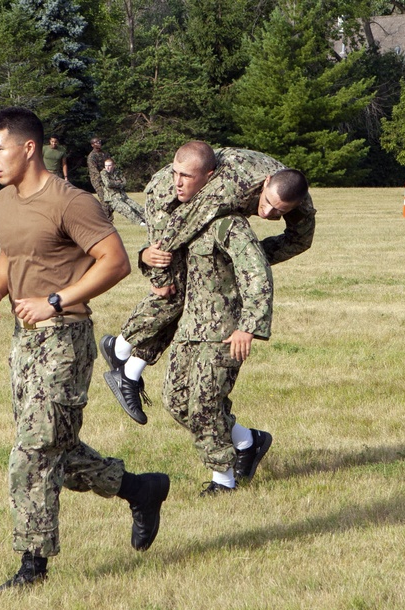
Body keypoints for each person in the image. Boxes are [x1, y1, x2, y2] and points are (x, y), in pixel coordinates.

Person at [0, 107, 170, 591]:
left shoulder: (72, 201)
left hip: (65, 336)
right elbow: (12, 250)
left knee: (34, 451)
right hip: (24, 341)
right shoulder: (3, 202)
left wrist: (56, 300)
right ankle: (141, 489)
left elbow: (116, 261)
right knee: (53, 449)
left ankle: (32, 566)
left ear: (28, 148)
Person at [100, 146, 315, 431]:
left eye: (280, 210)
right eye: (267, 203)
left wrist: (244, 257)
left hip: (206, 190)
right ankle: (122, 352)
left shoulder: (298, 199)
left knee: (203, 284)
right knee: (174, 291)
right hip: (169, 199)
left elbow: (300, 240)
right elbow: (173, 235)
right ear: (264, 184)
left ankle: (126, 361)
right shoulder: (226, 186)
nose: (268, 211)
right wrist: (156, 271)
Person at [154, 142, 274, 495]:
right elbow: (162, 262)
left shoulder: (229, 224)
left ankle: (224, 480)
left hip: (224, 332)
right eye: (174, 174)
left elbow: (257, 275)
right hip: (190, 326)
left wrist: (249, 327)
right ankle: (248, 440)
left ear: (207, 179)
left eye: (185, 176)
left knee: (205, 404)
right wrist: (147, 255)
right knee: (176, 402)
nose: (176, 183)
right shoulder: (178, 219)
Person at [100, 158, 147, 227]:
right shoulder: (103, 173)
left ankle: (149, 220)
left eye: (109, 165)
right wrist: (118, 183)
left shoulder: (117, 172)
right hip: (112, 198)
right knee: (127, 209)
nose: (107, 167)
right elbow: (108, 184)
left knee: (138, 207)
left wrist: (115, 184)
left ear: (113, 165)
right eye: (106, 165)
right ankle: (140, 223)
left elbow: (124, 182)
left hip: (122, 196)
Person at [86, 137, 113, 222]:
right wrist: (102, 180)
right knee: (104, 200)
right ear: (92, 145)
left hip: (107, 180)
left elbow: (111, 165)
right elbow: (94, 171)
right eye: (96, 142)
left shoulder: (105, 154)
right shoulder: (91, 157)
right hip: (98, 181)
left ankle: (108, 218)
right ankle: (105, 220)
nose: (99, 143)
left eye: (99, 141)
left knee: (112, 200)